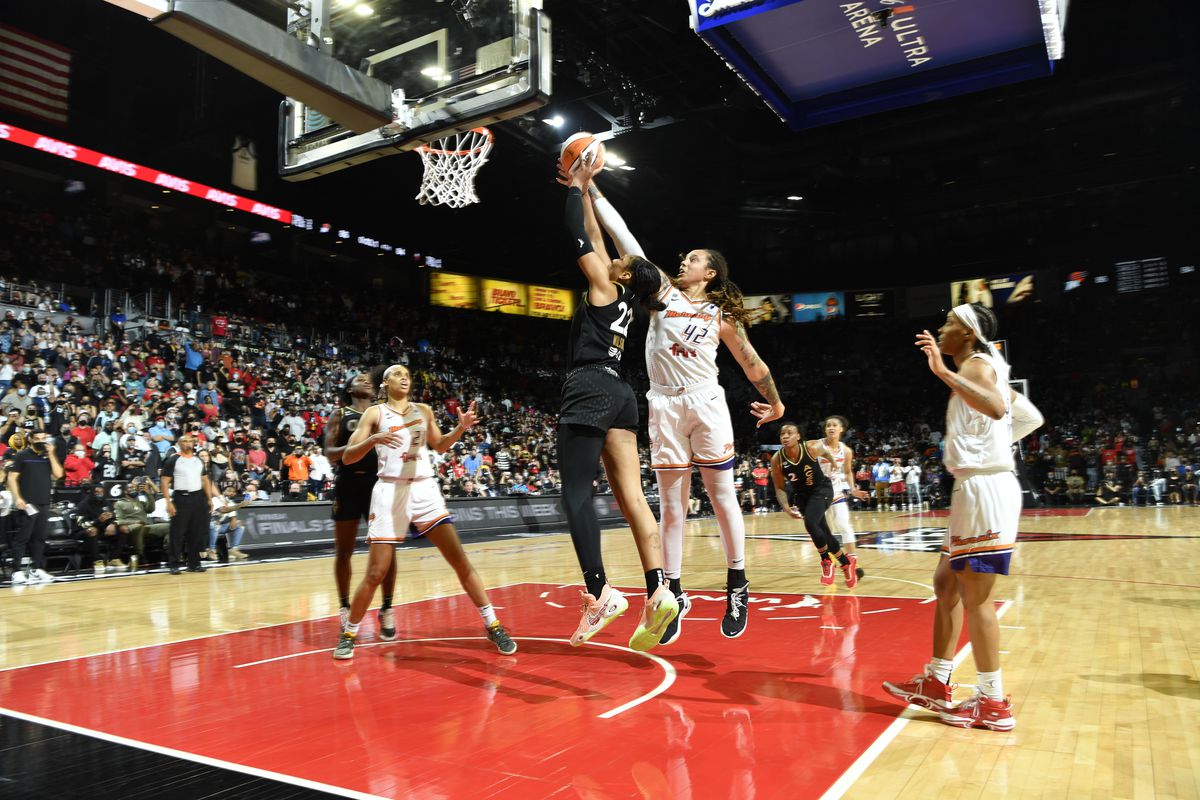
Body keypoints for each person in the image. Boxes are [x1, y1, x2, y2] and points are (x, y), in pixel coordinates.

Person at [583, 176, 784, 645]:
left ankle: (738, 583)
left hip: (706, 402)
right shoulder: (663, 296)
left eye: (692, 259)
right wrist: (591, 189)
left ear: (709, 273)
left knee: (720, 497)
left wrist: (775, 402)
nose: (683, 261)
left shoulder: (721, 316)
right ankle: (671, 593)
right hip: (664, 404)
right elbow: (625, 239)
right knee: (671, 508)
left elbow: (752, 363)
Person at [883, 303, 1043, 732]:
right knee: (945, 583)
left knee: (977, 599)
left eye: (949, 324)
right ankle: (937, 680)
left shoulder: (976, 365)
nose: (941, 329)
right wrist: (994, 444)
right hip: (975, 486)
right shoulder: (985, 365)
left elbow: (993, 407)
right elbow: (1029, 416)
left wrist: (941, 371)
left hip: (984, 489)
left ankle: (993, 702)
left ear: (968, 334)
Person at [551, 159, 679, 651]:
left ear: (626, 273)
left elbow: (577, 239)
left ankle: (599, 590)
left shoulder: (605, 287)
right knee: (631, 498)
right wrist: (585, 193)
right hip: (623, 395)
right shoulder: (628, 297)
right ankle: (659, 587)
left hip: (589, 386)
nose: (615, 258)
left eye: (621, 260)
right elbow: (598, 240)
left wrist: (573, 190)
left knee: (576, 496)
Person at [332, 364, 516, 660]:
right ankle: (349, 633)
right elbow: (349, 457)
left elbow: (440, 446)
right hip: (390, 490)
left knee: (459, 559)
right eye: (397, 374)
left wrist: (461, 428)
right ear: (385, 383)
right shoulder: (375, 414)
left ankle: (492, 624)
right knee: (376, 571)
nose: (404, 377)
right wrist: (372, 440)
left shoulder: (423, 410)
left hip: (423, 489)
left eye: (407, 374)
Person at [324, 372, 397, 633]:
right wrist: (361, 446)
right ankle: (345, 607)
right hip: (348, 484)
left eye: (369, 379)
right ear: (349, 388)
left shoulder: (384, 412)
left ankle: (387, 608)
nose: (367, 381)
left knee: (387, 549)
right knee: (344, 551)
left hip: (379, 484)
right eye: (359, 379)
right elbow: (330, 454)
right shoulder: (340, 415)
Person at [771, 422, 860, 588]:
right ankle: (845, 562)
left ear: (798, 436)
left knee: (810, 523)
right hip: (802, 497)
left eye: (789, 433)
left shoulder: (811, 447)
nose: (785, 436)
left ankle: (826, 561)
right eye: (782, 434)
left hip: (822, 490)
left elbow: (825, 451)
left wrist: (833, 463)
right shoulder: (777, 459)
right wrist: (786, 507)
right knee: (823, 532)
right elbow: (779, 487)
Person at [817, 416, 870, 579]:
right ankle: (831, 562)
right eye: (828, 425)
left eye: (834, 425)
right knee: (824, 532)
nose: (831, 428)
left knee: (844, 525)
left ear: (842, 429)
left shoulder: (846, 450)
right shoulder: (817, 445)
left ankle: (853, 563)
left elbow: (847, 472)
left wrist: (853, 489)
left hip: (836, 492)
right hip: (818, 494)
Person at [7, 430, 63, 584]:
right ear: (30, 440)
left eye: (43, 438)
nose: (40, 441)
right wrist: (17, 498)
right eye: (37, 439)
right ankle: (16, 571)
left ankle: (36, 569)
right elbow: (12, 478)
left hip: (44, 502)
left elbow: (58, 474)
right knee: (22, 538)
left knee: (40, 538)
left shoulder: (47, 456)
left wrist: (52, 454)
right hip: (27, 503)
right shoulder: (22, 455)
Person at [161, 432, 216, 574]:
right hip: (181, 497)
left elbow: (205, 480)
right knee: (177, 532)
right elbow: (165, 481)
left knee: (196, 532)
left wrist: (209, 499)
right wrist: (168, 502)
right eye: (184, 441)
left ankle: (194, 563)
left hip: (198, 497)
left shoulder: (198, 460)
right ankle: (174, 563)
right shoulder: (173, 459)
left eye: (190, 441)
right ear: (179, 444)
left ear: (194, 443)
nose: (187, 443)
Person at [113, 478, 169, 568]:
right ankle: (140, 555)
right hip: (131, 528)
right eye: (130, 488)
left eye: (135, 488)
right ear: (125, 491)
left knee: (169, 527)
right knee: (139, 526)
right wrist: (135, 521)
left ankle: (168, 552)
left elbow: (151, 509)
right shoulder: (119, 503)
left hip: (145, 527)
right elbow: (119, 520)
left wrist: (148, 493)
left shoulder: (140, 501)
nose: (133, 489)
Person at [206, 484, 251, 561]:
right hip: (207, 525)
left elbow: (233, 522)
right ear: (223, 492)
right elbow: (223, 510)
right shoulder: (215, 499)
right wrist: (240, 505)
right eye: (229, 490)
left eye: (233, 492)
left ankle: (233, 550)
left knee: (240, 524)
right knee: (214, 525)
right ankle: (211, 550)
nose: (231, 493)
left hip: (219, 526)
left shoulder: (230, 502)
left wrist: (234, 519)